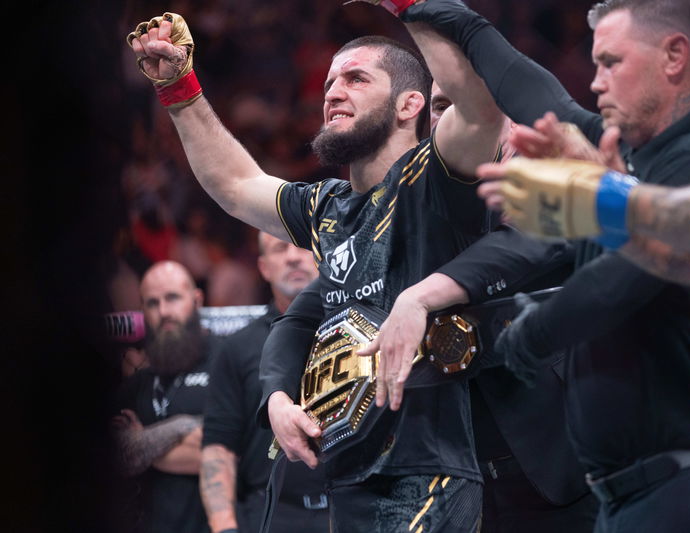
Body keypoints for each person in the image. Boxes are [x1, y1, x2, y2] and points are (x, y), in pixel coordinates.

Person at [127, 8, 505, 531]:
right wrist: (179, 89)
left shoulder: (437, 179)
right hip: (345, 479)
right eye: (328, 83)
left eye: (355, 79)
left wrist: (410, 8)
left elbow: (481, 110)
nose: (333, 93)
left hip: (426, 474)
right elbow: (235, 185)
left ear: (409, 104)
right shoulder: (328, 206)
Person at [356, 0, 690, 531]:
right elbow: (528, 89)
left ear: (674, 56)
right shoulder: (627, 155)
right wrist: (419, 8)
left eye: (611, 63)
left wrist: (524, 337)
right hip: (623, 491)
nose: (595, 82)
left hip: (685, 483)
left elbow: (622, 278)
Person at [480, 22, 690, 533]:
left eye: (612, 63)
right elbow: (685, 253)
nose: (599, 81)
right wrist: (612, 198)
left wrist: (608, 200)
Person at [258, 84, 597, 532]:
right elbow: (299, 319)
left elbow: (533, 241)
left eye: (457, 104)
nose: (447, 119)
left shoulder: (545, 193)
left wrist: (421, 294)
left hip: (555, 462)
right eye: (439, 107)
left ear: (507, 122)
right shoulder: (405, 219)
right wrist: (278, 397)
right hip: (440, 481)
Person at [200, 232, 326, 533]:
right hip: (271, 513)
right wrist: (225, 527)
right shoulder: (236, 348)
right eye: (280, 248)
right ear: (264, 267)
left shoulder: (357, 329)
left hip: (351, 506)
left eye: (302, 245)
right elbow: (219, 448)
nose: (293, 256)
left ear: (323, 255)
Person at [114, 260, 222, 533]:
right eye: (152, 303)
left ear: (197, 300)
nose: (163, 312)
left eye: (172, 298)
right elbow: (118, 454)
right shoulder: (140, 381)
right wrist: (188, 428)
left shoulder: (227, 360)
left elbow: (231, 451)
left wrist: (144, 441)